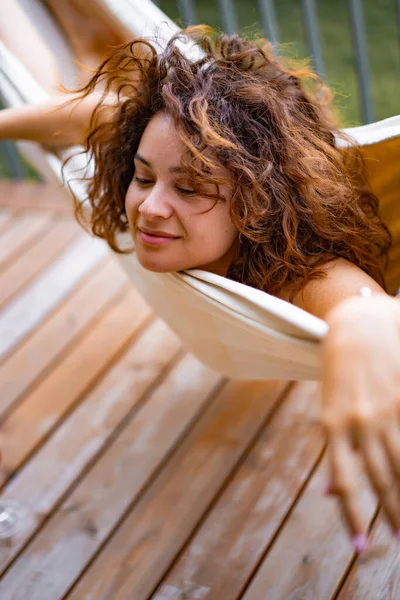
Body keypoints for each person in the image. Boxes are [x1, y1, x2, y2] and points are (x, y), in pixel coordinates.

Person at [1, 26, 400, 554]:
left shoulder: (302, 273)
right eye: (143, 179)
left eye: (189, 188)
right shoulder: (152, 139)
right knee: (80, 55)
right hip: (134, 98)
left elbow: (363, 307)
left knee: (86, 48)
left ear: (257, 202)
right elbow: (91, 115)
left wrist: (363, 323)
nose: (149, 208)